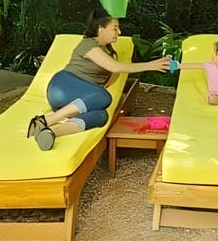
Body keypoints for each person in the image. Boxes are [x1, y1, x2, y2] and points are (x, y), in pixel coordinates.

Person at [28, 15, 169, 151]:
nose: (119, 32)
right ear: (101, 28)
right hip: (63, 87)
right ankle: (47, 119)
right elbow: (115, 67)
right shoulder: (88, 44)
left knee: (101, 116)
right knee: (104, 96)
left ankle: (49, 132)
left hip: (77, 100)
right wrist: (151, 65)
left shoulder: (111, 54)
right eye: (115, 28)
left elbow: (108, 80)